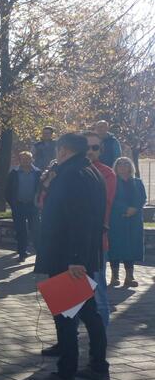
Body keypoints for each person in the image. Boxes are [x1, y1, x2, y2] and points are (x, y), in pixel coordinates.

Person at [32, 133, 108, 380]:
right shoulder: (89, 171)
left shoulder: (72, 175)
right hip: (81, 254)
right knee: (88, 312)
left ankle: (66, 374)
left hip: (68, 256)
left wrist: (74, 259)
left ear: (63, 150)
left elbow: (78, 219)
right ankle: (98, 367)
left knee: (66, 315)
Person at [84, 131, 116, 327]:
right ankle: (67, 339)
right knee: (70, 292)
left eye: (94, 147)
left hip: (95, 240)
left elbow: (103, 204)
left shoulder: (106, 173)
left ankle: (100, 341)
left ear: (100, 150)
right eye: (86, 147)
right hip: (69, 241)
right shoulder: (67, 170)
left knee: (97, 291)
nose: (90, 151)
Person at [108, 157, 146, 288]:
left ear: (131, 167)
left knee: (131, 246)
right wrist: (124, 209)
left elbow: (142, 198)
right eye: (120, 164)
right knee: (116, 246)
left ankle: (129, 276)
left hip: (133, 220)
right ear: (116, 167)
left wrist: (134, 209)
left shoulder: (137, 182)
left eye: (126, 164)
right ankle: (114, 276)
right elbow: (110, 198)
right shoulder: (112, 182)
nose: (123, 167)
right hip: (117, 219)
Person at [5, 151, 41, 262]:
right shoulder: (14, 173)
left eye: (28, 158)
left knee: (35, 230)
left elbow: (42, 189)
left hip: (33, 206)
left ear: (32, 159)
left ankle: (39, 254)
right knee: (21, 231)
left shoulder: (38, 173)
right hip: (19, 206)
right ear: (20, 160)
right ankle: (22, 253)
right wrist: (13, 204)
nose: (25, 161)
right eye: (23, 159)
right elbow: (8, 191)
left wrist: (39, 203)